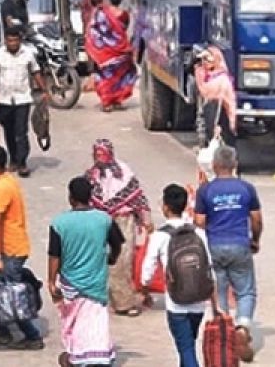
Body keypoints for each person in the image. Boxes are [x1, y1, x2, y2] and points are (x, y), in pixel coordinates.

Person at [194, 144, 262, 360]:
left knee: (219, 290)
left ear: (214, 165)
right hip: (240, 244)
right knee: (246, 290)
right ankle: (242, 327)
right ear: (234, 165)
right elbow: (256, 219)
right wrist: (255, 240)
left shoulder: (206, 190)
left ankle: (224, 328)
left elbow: (200, 221)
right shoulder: (247, 188)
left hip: (215, 245)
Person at [48, 177, 124, 367]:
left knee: (73, 321)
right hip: (96, 282)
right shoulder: (104, 219)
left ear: (71, 198)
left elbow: (54, 255)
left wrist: (51, 280)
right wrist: (111, 258)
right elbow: (117, 243)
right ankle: (98, 355)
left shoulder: (59, 223)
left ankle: (77, 355)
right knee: (95, 320)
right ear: (90, 197)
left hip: (70, 283)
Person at [0, 145, 44, 351]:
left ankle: (31, 335)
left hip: (9, 249)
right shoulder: (5, 182)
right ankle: (2, 329)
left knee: (10, 294)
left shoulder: (1, 188)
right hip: (8, 248)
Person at [142, 184, 216, 367]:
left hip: (176, 302)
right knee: (188, 344)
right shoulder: (199, 233)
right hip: (199, 301)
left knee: (186, 349)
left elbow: (147, 271)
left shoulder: (159, 236)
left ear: (165, 206)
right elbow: (210, 266)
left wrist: (145, 289)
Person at [85, 139, 152, 317]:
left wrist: (145, 219)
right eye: (96, 154)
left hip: (123, 221)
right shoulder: (92, 175)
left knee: (122, 261)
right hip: (99, 222)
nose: (99, 158)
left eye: (102, 154)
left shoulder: (124, 172)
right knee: (102, 261)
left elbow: (137, 197)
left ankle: (124, 303)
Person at [0, 27, 48, 178]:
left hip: (22, 98)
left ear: (20, 40)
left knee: (21, 132)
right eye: (9, 40)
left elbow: (35, 72)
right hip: (4, 99)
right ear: (5, 40)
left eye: (15, 40)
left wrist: (44, 90)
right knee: (9, 131)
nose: (12, 43)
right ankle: (13, 159)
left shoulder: (28, 54)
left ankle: (22, 163)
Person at [86, 0, 138, 112]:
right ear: (121, 0)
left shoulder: (101, 13)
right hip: (120, 50)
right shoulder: (124, 14)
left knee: (106, 76)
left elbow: (95, 30)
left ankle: (108, 102)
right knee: (120, 74)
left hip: (104, 51)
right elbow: (123, 29)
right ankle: (115, 100)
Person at [195, 46, 237, 147]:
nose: (205, 62)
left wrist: (232, 122)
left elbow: (230, 104)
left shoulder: (222, 80)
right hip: (207, 121)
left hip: (220, 123)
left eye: (208, 59)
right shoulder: (203, 77)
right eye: (203, 59)